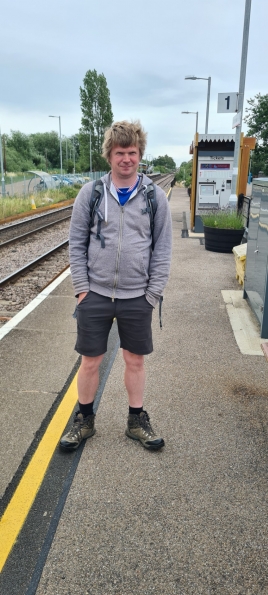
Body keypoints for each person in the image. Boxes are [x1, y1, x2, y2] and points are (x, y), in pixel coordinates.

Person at [60, 120, 172, 452]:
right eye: (120, 153)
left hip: (138, 296)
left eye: (132, 153)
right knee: (90, 360)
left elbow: (163, 248)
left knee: (135, 360)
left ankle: (136, 421)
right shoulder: (91, 193)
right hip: (94, 294)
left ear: (140, 155)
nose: (126, 159)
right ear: (109, 155)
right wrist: (82, 289)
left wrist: (152, 295)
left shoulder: (153, 196)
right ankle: (84, 420)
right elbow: (75, 244)